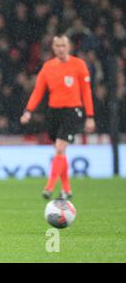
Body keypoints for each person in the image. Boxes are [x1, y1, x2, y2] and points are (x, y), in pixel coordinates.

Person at [20, 35, 95, 200]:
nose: (60, 48)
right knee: (60, 151)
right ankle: (67, 189)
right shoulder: (48, 67)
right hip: (54, 112)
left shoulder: (79, 65)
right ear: (53, 48)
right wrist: (28, 111)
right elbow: (38, 90)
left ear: (69, 47)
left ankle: (49, 187)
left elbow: (86, 91)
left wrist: (90, 116)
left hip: (72, 111)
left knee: (60, 148)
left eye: (63, 45)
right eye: (57, 45)